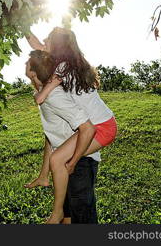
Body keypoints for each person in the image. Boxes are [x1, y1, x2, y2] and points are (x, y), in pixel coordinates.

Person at [25, 50, 117, 224]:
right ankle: (59, 214)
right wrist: (44, 174)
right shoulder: (45, 94)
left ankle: (57, 213)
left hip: (80, 161)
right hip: (65, 163)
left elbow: (87, 128)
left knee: (82, 219)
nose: (25, 62)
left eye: (28, 62)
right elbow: (50, 137)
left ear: (33, 72)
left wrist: (73, 161)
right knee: (68, 220)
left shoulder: (54, 96)